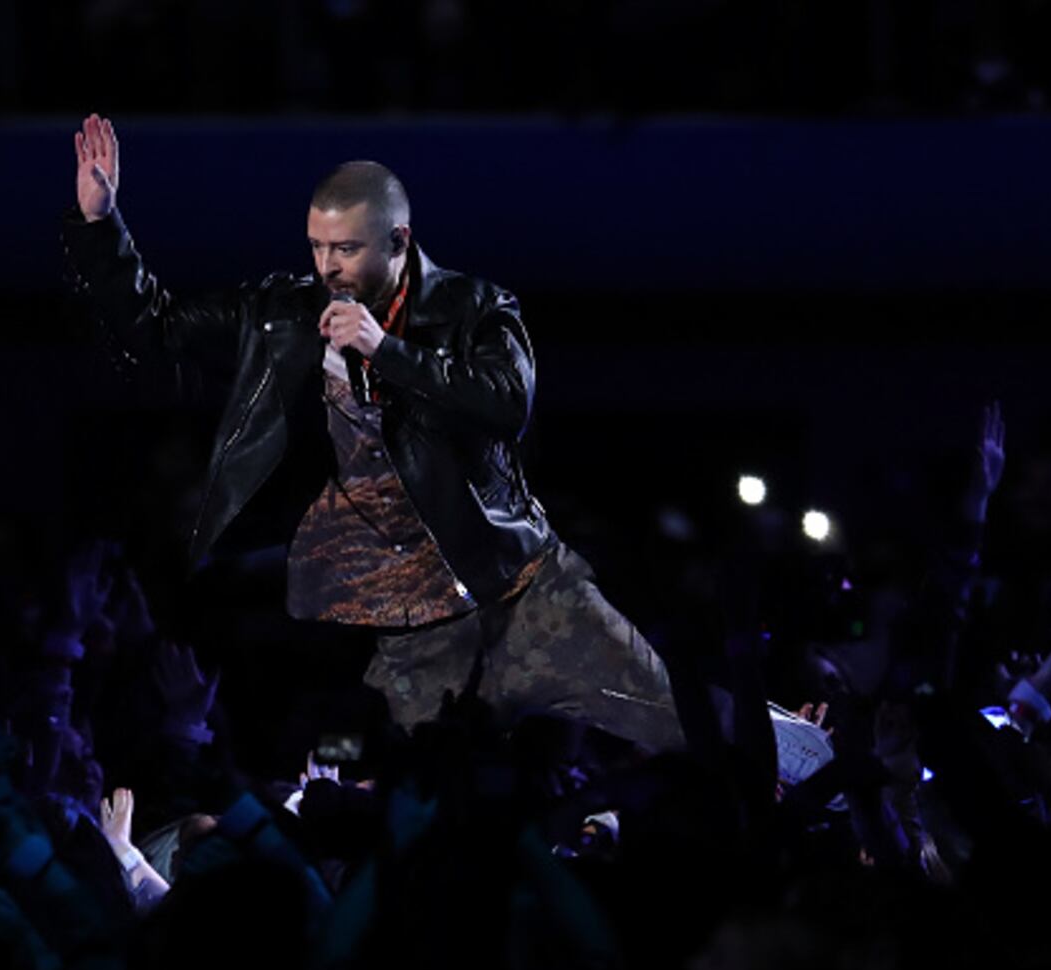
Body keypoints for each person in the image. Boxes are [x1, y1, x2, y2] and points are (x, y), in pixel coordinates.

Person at [61, 113, 684, 753]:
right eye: (317, 248)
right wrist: (101, 226)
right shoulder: (286, 317)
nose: (328, 268)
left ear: (398, 241)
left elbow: (505, 402)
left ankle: (785, 763)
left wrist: (386, 350)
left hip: (522, 587)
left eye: (347, 250)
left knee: (676, 721)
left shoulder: (472, 307)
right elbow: (158, 333)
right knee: (439, 798)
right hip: (416, 622)